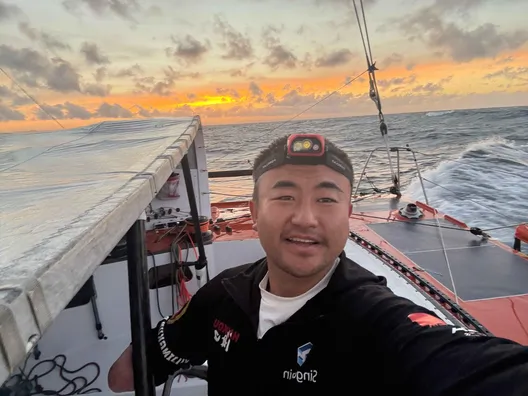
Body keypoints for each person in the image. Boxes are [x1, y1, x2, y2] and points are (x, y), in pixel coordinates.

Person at [108, 134, 528, 396]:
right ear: (254, 212)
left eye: (326, 199)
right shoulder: (223, 293)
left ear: (348, 213)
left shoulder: (375, 319)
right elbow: (123, 377)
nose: (306, 217)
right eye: (284, 196)